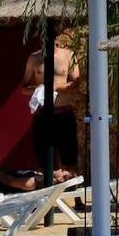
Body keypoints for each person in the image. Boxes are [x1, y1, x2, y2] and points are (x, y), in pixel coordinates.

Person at [22, 33, 81, 170]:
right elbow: (23, 87)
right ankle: (49, 185)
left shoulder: (68, 56)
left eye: (50, 37)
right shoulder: (34, 58)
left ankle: (71, 185)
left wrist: (54, 87)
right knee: (44, 158)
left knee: (68, 158)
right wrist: (39, 89)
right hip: (42, 114)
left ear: (57, 39)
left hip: (63, 112)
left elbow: (76, 83)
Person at [0, 166, 77, 193]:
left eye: (63, 171)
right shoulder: (44, 181)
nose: (60, 169)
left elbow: (11, 182)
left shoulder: (36, 182)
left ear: (61, 179)